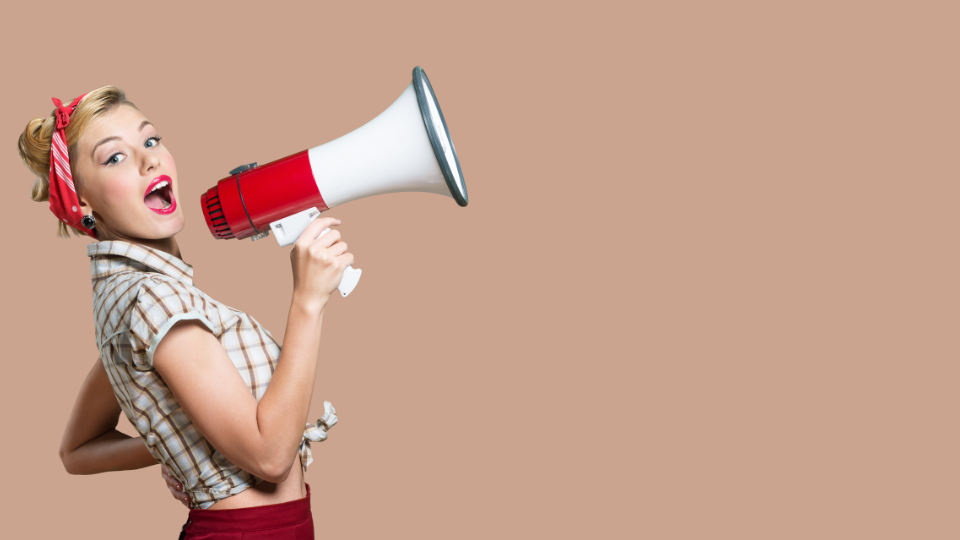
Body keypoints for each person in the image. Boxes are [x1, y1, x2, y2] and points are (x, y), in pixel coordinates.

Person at [18, 86, 352, 539]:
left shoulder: (129, 298)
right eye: (114, 157)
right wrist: (308, 302)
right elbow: (271, 458)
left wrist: (182, 443)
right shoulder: (155, 301)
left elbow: (77, 450)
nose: (149, 160)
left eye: (151, 140)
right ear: (82, 204)